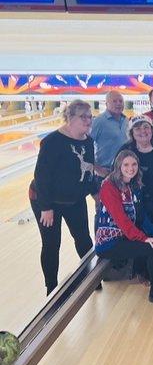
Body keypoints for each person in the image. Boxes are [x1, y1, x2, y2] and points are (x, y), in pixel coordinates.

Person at [95, 150, 153, 304]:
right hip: (110, 242)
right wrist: (144, 238)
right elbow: (121, 220)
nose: (130, 168)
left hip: (126, 236)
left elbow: (141, 216)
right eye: (126, 164)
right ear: (118, 166)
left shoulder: (134, 185)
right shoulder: (109, 186)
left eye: (134, 164)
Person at [29, 99, 96, 295]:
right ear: (69, 118)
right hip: (46, 200)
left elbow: (88, 170)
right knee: (51, 243)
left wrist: (96, 193)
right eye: (82, 116)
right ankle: (51, 286)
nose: (88, 120)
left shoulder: (88, 140)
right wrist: (46, 207)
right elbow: (41, 177)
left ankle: (91, 277)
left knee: (83, 238)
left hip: (74, 199)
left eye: (89, 116)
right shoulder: (52, 142)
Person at [90, 90, 128, 178]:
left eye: (120, 101)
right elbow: (86, 145)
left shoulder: (126, 120)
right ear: (106, 104)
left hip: (125, 171)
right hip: (106, 172)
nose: (118, 104)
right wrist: (97, 168)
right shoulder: (99, 121)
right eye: (114, 101)